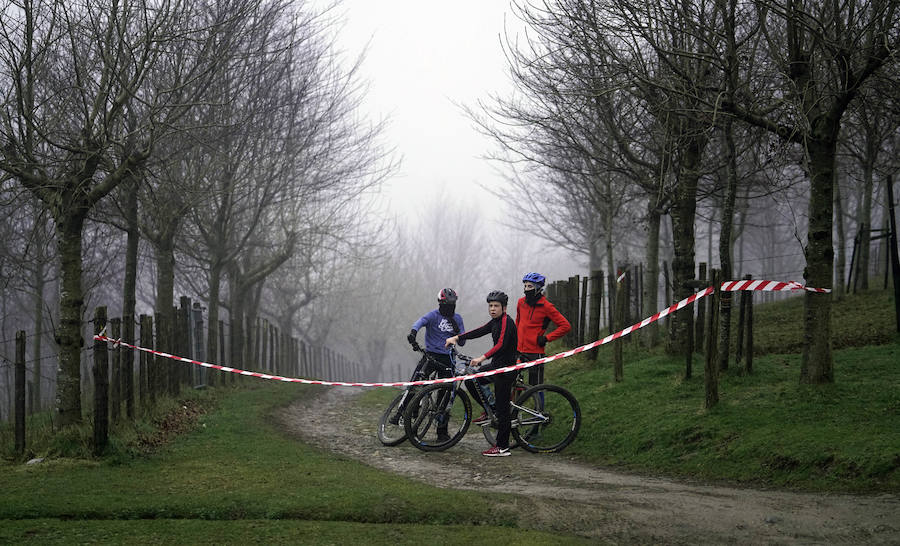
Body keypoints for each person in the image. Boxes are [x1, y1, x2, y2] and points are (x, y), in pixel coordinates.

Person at [445, 290, 518, 457]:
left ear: (504, 308)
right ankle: (489, 410)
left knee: (503, 409)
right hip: (496, 365)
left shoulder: (507, 322)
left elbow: (501, 344)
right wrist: (457, 337)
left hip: (505, 369)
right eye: (490, 306)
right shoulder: (494, 322)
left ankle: (502, 447)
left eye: (496, 306)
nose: (492, 309)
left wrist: (481, 358)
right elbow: (478, 331)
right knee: (472, 380)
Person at [404, 288, 465, 441]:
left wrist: (457, 334)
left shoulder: (457, 318)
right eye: (446, 304)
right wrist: (413, 333)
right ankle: (407, 410)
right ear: (440, 302)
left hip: (448, 359)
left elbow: (463, 341)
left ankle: (442, 431)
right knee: (416, 383)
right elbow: (419, 322)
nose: (449, 306)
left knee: (445, 395)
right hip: (430, 356)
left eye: (452, 304)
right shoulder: (433, 315)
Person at [516, 272, 571, 386]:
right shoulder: (521, 302)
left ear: (538, 288)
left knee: (536, 387)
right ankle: (515, 403)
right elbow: (518, 322)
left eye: (530, 286)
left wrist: (546, 338)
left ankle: (539, 404)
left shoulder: (547, 306)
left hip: (535, 352)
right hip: (518, 350)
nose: (526, 289)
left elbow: (565, 326)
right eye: (525, 286)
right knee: (514, 383)